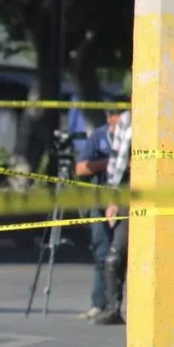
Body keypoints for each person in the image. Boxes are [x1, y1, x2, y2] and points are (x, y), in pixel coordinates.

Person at [73, 108, 125, 321]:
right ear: (109, 117)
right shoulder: (99, 136)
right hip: (99, 200)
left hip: (124, 203)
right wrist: (109, 161)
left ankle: (116, 305)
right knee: (102, 252)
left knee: (118, 254)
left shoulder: (133, 135)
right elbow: (81, 168)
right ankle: (99, 303)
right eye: (116, 119)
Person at [93, 109, 132, 326]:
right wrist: (112, 199)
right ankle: (112, 308)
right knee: (114, 256)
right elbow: (116, 163)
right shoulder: (126, 121)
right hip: (126, 194)